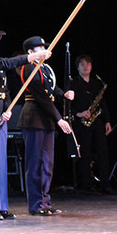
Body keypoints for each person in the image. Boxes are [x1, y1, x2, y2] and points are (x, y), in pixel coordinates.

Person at [0, 21, 51, 220]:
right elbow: (4, 65)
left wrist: (7, 109)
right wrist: (31, 57)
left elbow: (3, 87)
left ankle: (1, 206)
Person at [18, 36, 74, 215]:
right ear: (30, 52)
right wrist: (58, 118)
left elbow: (51, 88)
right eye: (39, 48)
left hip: (46, 118)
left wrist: (63, 94)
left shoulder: (45, 69)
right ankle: (36, 204)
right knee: (35, 163)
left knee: (47, 163)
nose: (43, 50)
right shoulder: (29, 68)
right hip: (34, 116)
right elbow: (41, 96)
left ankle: (45, 202)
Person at [70, 54, 112, 194]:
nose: (86, 66)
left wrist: (107, 121)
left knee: (102, 153)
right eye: (82, 64)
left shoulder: (96, 83)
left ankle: (104, 184)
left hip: (97, 122)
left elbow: (103, 103)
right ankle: (86, 185)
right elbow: (67, 105)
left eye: (88, 64)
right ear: (77, 67)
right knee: (85, 154)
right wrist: (79, 114)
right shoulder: (73, 83)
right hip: (82, 124)